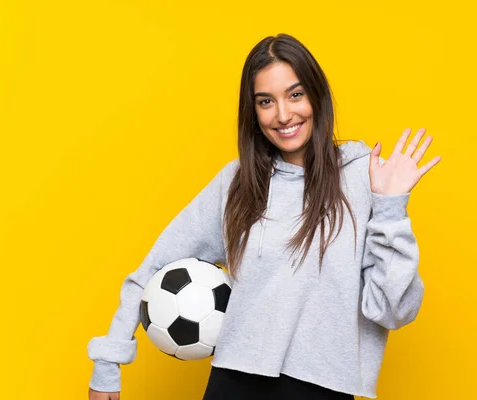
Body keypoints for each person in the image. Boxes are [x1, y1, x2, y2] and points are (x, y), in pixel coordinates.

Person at [87, 33, 441, 400]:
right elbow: (154, 266)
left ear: (316, 96)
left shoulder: (364, 177)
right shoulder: (237, 182)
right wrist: (108, 360)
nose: (283, 115)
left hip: (324, 388)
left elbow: (393, 310)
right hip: (233, 383)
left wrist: (390, 207)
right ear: (253, 113)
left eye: (295, 94)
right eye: (266, 102)